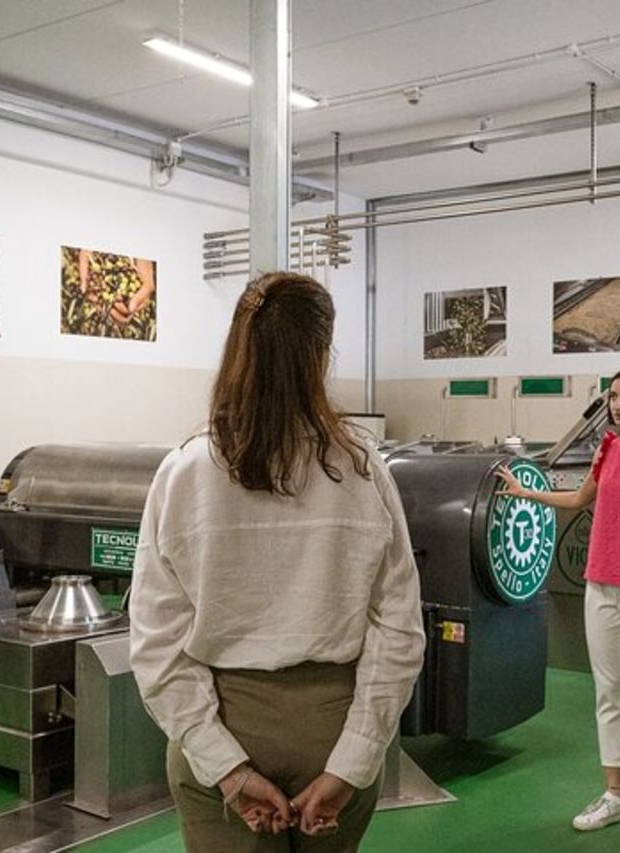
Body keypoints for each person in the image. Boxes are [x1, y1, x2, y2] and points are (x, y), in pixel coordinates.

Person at [130, 271, 425, 852]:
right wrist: (353, 760)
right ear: (320, 356)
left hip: (222, 718)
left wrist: (229, 769)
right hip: (334, 722)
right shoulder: (363, 470)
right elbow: (399, 629)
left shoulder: (185, 471)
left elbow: (156, 641)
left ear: (237, 348)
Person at [497, 366, 620, 834]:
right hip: (600, 586)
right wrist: (530, 493)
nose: (617, 405)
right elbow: (582, 499)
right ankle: (617, 794)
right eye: (612, 397)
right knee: (609, 691)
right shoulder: (607, 449)